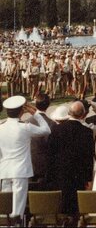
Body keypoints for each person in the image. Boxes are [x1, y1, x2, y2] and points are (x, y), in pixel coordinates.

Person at [0, 95, 51, 224]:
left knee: (6, 209)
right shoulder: (24, 127)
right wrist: (36, 114)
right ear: (22, 111)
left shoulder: (1, 127)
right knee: (18, 210)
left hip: (5, 172)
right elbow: (46, 130)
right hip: (20, 172)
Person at [46, 100, 95, 217]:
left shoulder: (57, 129)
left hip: (59, 173)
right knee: (75, 208)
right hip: (77, 175)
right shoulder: (87, 132)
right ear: (83, 115)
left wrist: (50, 174)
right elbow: (88, 156)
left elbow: (50, 154)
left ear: (69, 113)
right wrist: (88, 178)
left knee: (61, 207)